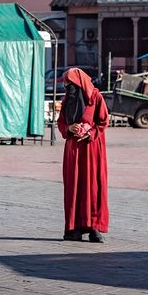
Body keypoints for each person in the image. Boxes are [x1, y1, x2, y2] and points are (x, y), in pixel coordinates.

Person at [57, 67, 110, 243]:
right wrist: (69, 128)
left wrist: (91, 133)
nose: (68, 89)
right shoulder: (67, 100)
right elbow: (61, 122)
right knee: (74, 187)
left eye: (71, 84)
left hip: (91, 148)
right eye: (66, 85)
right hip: (73, 150)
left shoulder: (95, 97)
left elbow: (103, 120)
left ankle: (94, 227)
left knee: (93, 186)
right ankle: (75, 228)